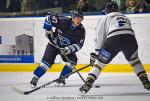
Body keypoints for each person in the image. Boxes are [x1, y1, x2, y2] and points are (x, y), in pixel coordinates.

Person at [79, 1, 150, 94]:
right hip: (130, 39)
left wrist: (97, 54)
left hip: (114, 39)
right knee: (135, 61)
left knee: (100, 63)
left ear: (106, 10)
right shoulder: (125, 17)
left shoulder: (105, 17)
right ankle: (146, 82)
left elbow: (99, 37)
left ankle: (88, 83)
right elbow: (127, 31)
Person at [30, 10, 85, 87]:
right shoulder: (63, 21)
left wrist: (69, 49)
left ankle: (61, 78)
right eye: (76, 18)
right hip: (53, 45)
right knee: (45, 64)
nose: (77, 20)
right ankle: (35, 78)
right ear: (72, 18)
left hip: (65, 49)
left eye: (80, 18)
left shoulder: (81, 30)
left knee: (72, 62)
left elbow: (79, 45)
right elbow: (48, 18)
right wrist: (48, 30)